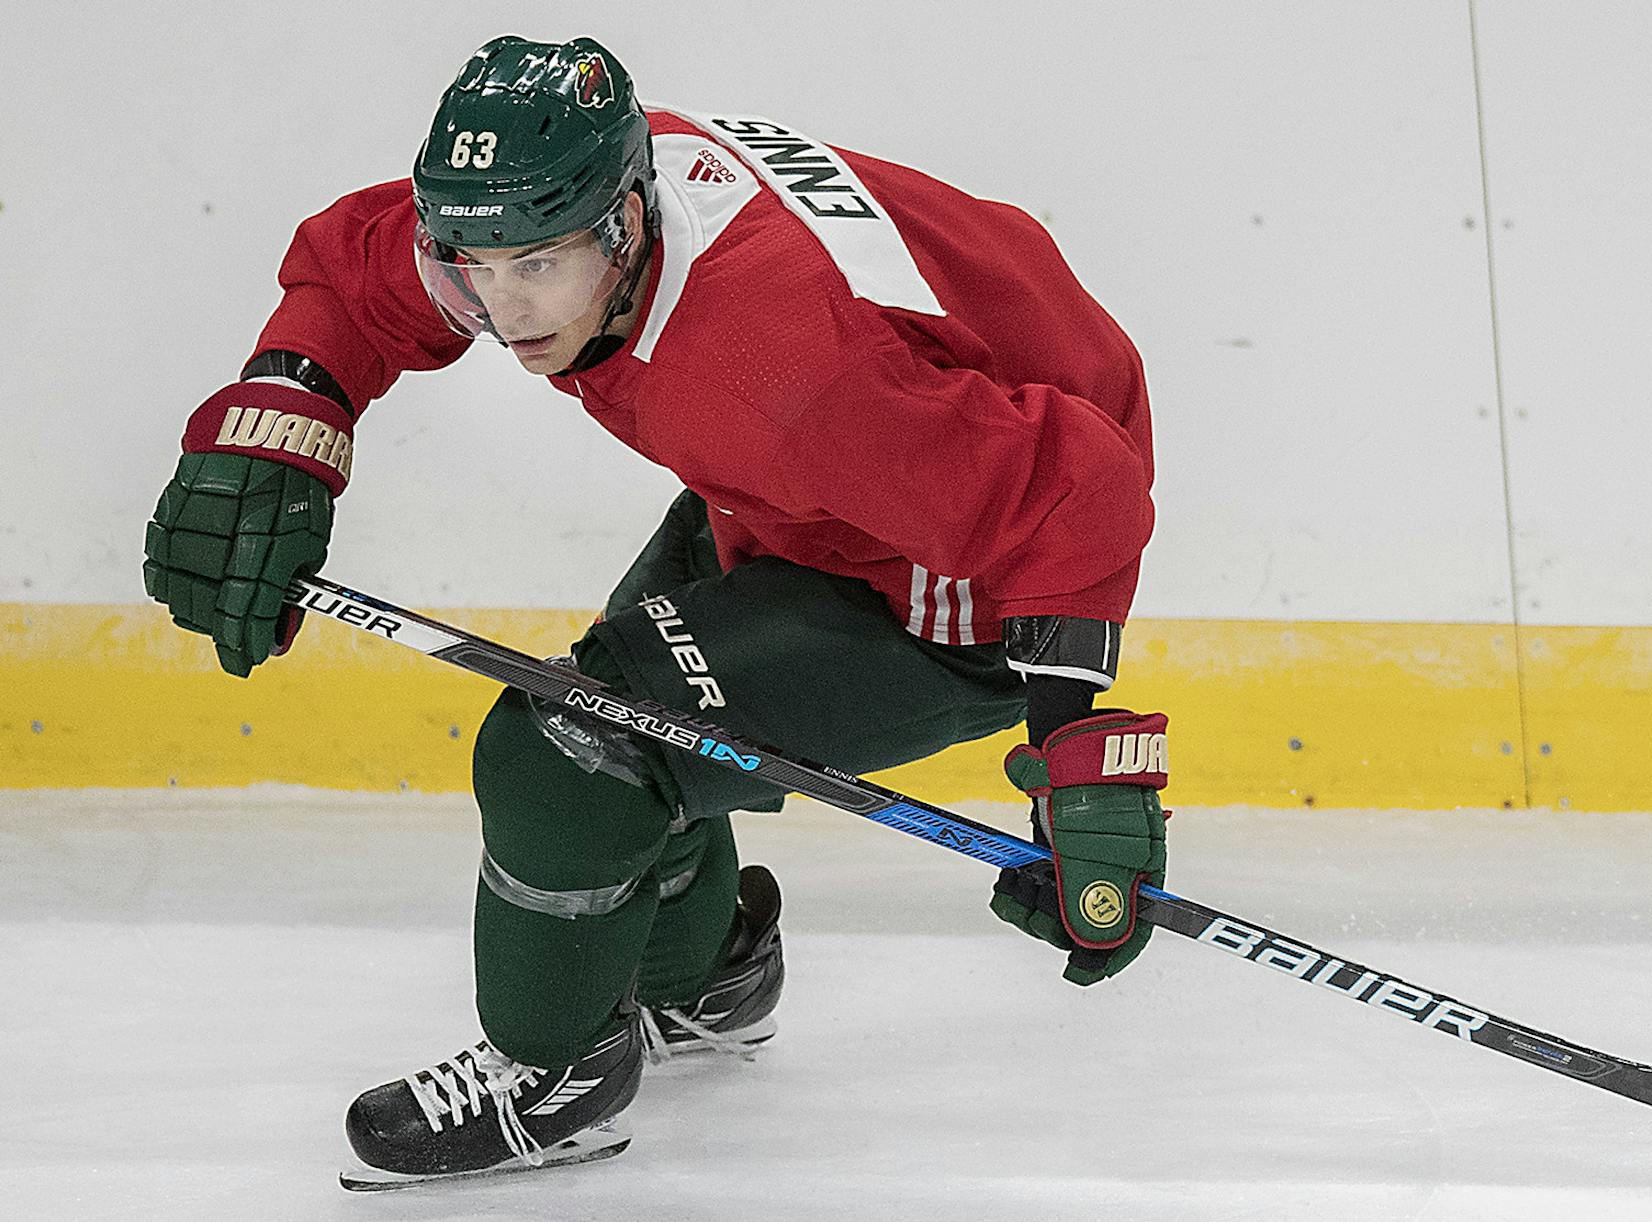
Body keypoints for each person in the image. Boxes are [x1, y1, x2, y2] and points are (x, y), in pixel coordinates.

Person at [141, 35, 1170, 1186]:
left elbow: (1077, 494)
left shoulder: (773, 369)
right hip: (836, 489)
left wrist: (1079, 760)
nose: (501, 309)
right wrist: (286, 414)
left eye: (536, 266)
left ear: (626, 225)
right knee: (635, 713)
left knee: (570, 755)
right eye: (471, 267)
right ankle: (704, 979)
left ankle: (556, 1076)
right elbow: (359, 270)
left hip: (952, 585)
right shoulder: (586, 184)